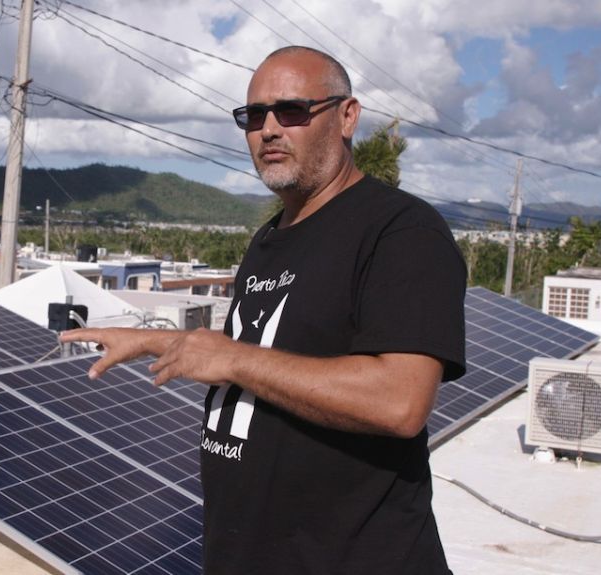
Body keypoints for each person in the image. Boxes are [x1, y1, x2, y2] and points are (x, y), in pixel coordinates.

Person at [60, 45, 466, 574]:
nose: (269, 129)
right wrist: (157, 340)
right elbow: (270, 349)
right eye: (253, 116)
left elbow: (399, 401)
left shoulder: (400, 232)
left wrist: (231, 360)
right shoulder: (272, 238)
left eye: (292, 110)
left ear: (347, 116)